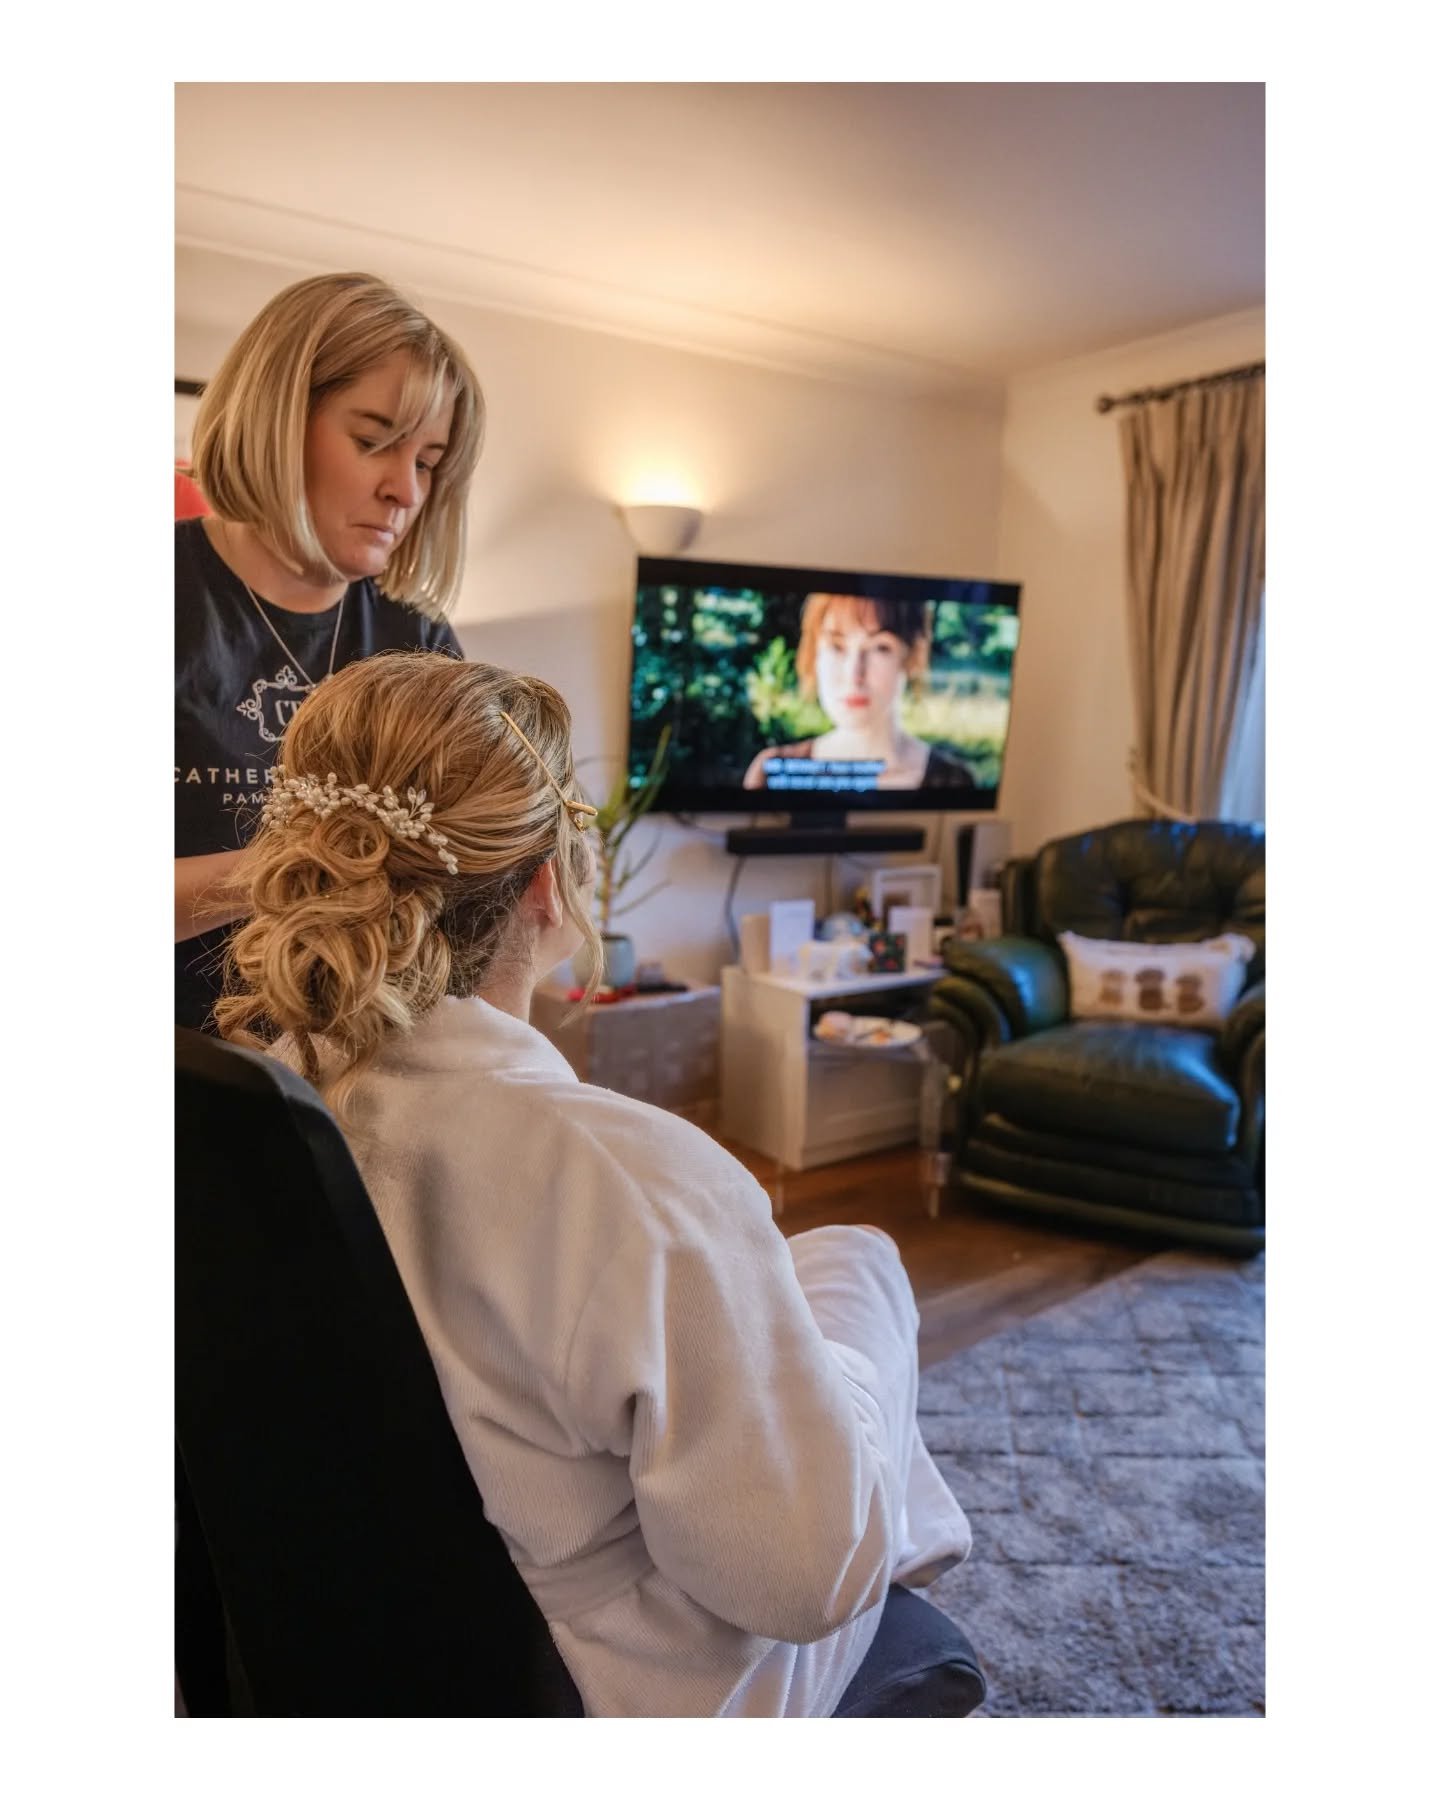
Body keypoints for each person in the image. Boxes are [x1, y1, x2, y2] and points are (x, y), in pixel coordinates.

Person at [215, 651, 974, 1718]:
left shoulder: (250, 1106)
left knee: (798, 1283)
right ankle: (888, 1487)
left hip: (365, 1633)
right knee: (858, 1262)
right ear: (544, 883)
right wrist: (857, 1371)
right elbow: (805, 1581)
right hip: (610, 1679)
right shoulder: (644, 1188)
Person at [175, 270, 486, 1031]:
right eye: (374, 440)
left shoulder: (419, 646)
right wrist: (310, 866)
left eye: (427, 460)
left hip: (357, 1070)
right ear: (277, 419)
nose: (406, 492)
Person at [742, 593, 976, 792]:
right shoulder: (769, 771)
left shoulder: (953, 782)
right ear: (814, 655)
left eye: (880, 647)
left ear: (913, 657)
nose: (854, 674)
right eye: (836, 646)